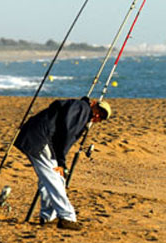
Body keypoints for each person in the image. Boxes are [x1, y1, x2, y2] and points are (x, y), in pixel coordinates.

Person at [14, 97, 111, 230]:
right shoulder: (82, 108)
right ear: (94, 104)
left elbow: (61, 128)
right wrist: (62, 162)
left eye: (101, 117)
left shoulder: (81, 111)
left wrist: (61, 162)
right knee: (53, 176)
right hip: (38, 138)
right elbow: (66, 132)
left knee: (53, 177)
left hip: (41, 138)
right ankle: (67, 217)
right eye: (99, 111)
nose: (97, 116)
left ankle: (48, 216)